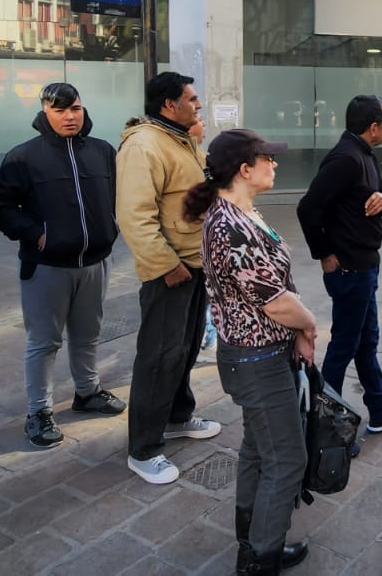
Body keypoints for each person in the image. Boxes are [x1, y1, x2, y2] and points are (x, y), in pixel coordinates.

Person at [189, 129, 314, 575]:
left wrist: (296, 330)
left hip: (261, 352)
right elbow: (273, 300)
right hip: (255, 358)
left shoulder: (243, 212)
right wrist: (310, 323)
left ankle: (255, 540)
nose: (275, 164)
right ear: (245, 169)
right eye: (268, 159)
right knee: (287, 459)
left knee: (260, 451)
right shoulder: (230, 226)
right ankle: (260, 558)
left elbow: (275, 287)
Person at [0, 83, 125, 449]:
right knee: (44, 341)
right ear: (44, 112)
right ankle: (39, 411)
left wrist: (111, 227)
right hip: (46, 266)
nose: (69, 116)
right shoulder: (24, 157)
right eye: (60, 109)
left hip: (95, 262)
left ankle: (87, 392)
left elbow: (121, 196)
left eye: (75, 108)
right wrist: (36, 234)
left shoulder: (102, 152)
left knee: (88, 334)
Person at [118, 72, 221, 485]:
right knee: (159, 357)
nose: (198, 106)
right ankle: (143, 449)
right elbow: (134, 216)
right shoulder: (144, 145)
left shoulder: (180, 139)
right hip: (171, 270)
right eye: (191, 99)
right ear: (168, 105)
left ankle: (178, 415)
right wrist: (166, 265)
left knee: (186, 348)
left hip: (195, 263)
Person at [295, 95, 382, 438]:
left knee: (365, 342)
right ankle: (321, 424)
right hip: (349, 269)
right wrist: (324, 254)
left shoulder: (364, 154)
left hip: (365, 266)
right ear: (373, 127)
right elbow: (308, 209)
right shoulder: (345, 159)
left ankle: (380, 409)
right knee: (344, 347)